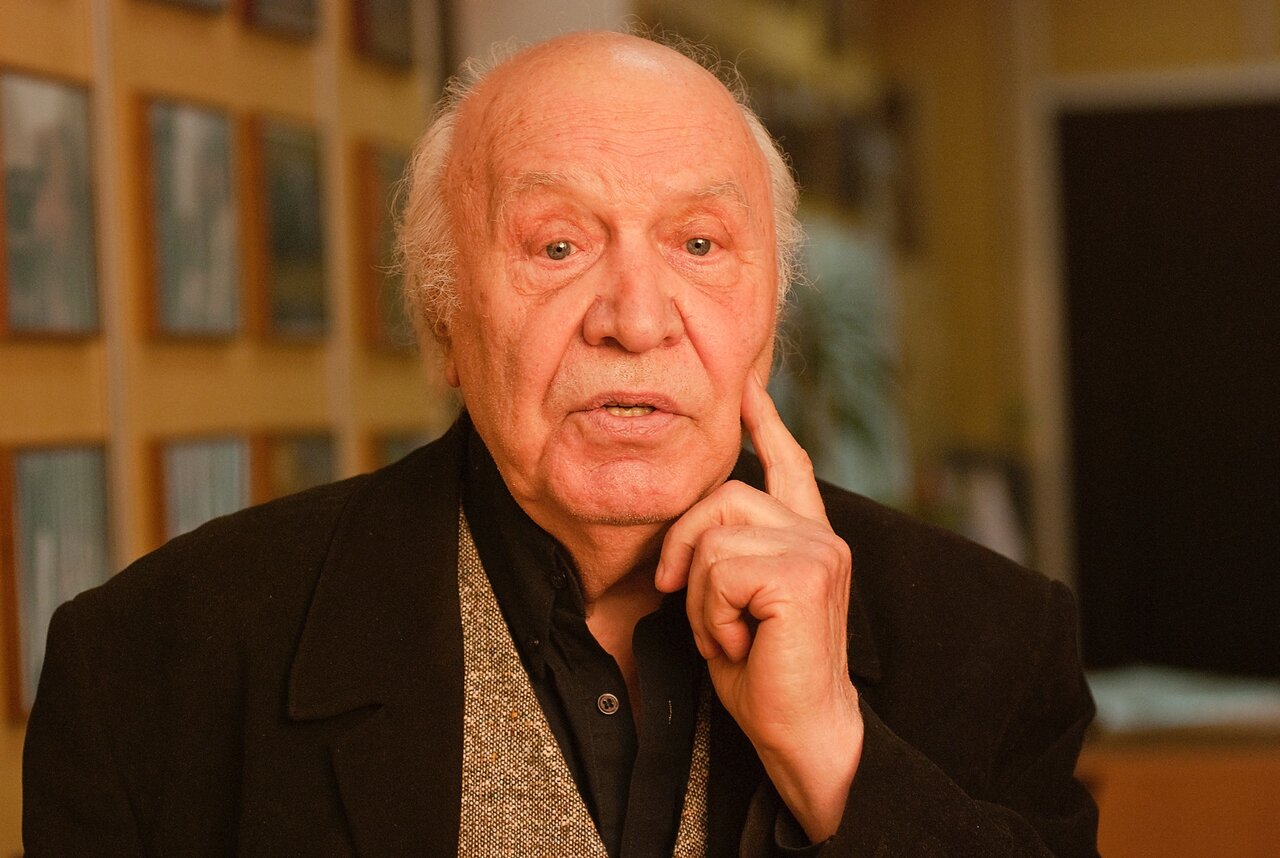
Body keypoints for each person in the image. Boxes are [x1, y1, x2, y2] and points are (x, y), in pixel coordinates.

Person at [23, 30, 1099, 857]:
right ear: (445, 318)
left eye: (698, 243)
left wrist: (835, 756)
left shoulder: (992, 641)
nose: (636, 317)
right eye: (556, 246)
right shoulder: (150, 667)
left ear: (767, 319)